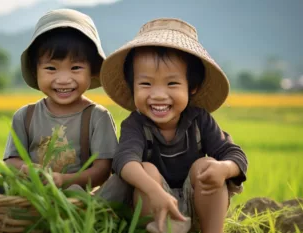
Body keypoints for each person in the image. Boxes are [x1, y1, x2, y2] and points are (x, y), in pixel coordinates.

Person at [0, 9, 118, 193]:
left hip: (72, 195)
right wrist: (29, 170)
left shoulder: (98, 116)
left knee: (115, 183)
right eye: (51, 68)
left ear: (91, 70)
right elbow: (11, 162)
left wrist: (62, 180)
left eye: (75, 68)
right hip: (25, 193)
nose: (64, 79)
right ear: (35, 71)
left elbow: (102, 171)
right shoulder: (25, 115)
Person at [98, 18, 248, 233]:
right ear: (133, 87)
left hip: (199, 207)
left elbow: (234, 154)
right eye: (146, 83)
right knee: (145, 170)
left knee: (206, 166)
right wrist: (156, 193)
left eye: (172, 83)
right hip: (154, 208)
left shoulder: (200, 120)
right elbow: (124, 161)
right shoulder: (135, 124)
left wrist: (224, 169)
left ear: (192, 87)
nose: (158, 95)